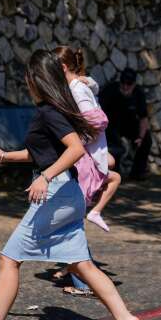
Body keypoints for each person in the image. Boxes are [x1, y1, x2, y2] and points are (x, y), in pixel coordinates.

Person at [0, 49, 144, 320]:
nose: (26, 83)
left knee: (9, 258)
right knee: (82, 264)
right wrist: (4, 156)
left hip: (57, 195)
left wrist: (45, 177)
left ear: (37, 79)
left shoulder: (49, 111)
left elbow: (75, 150)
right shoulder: (56, 109)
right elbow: (41, 153)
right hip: (70, 194)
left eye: (28, 78)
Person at [53, 45, 122, 297]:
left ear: (61, 68)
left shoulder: (75, 89)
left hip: (83, 161)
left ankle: (84, 281)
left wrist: (74, 140)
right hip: (86, 158)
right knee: (71, 222)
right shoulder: (78, 87)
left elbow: (97, 120)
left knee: (70, 224)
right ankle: (77, 275)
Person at [99, 68, 152, 180]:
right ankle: (114, 173)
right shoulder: (110, 90)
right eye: (123, 83)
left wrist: (141, 137)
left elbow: (143, 118)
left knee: (146, 139)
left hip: (130, 125)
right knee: (116, 144)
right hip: (111, 125)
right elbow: (98, 111)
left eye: (129, 84)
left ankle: (138, 172)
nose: (125, 86)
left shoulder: (138, 93)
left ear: (134, 84)